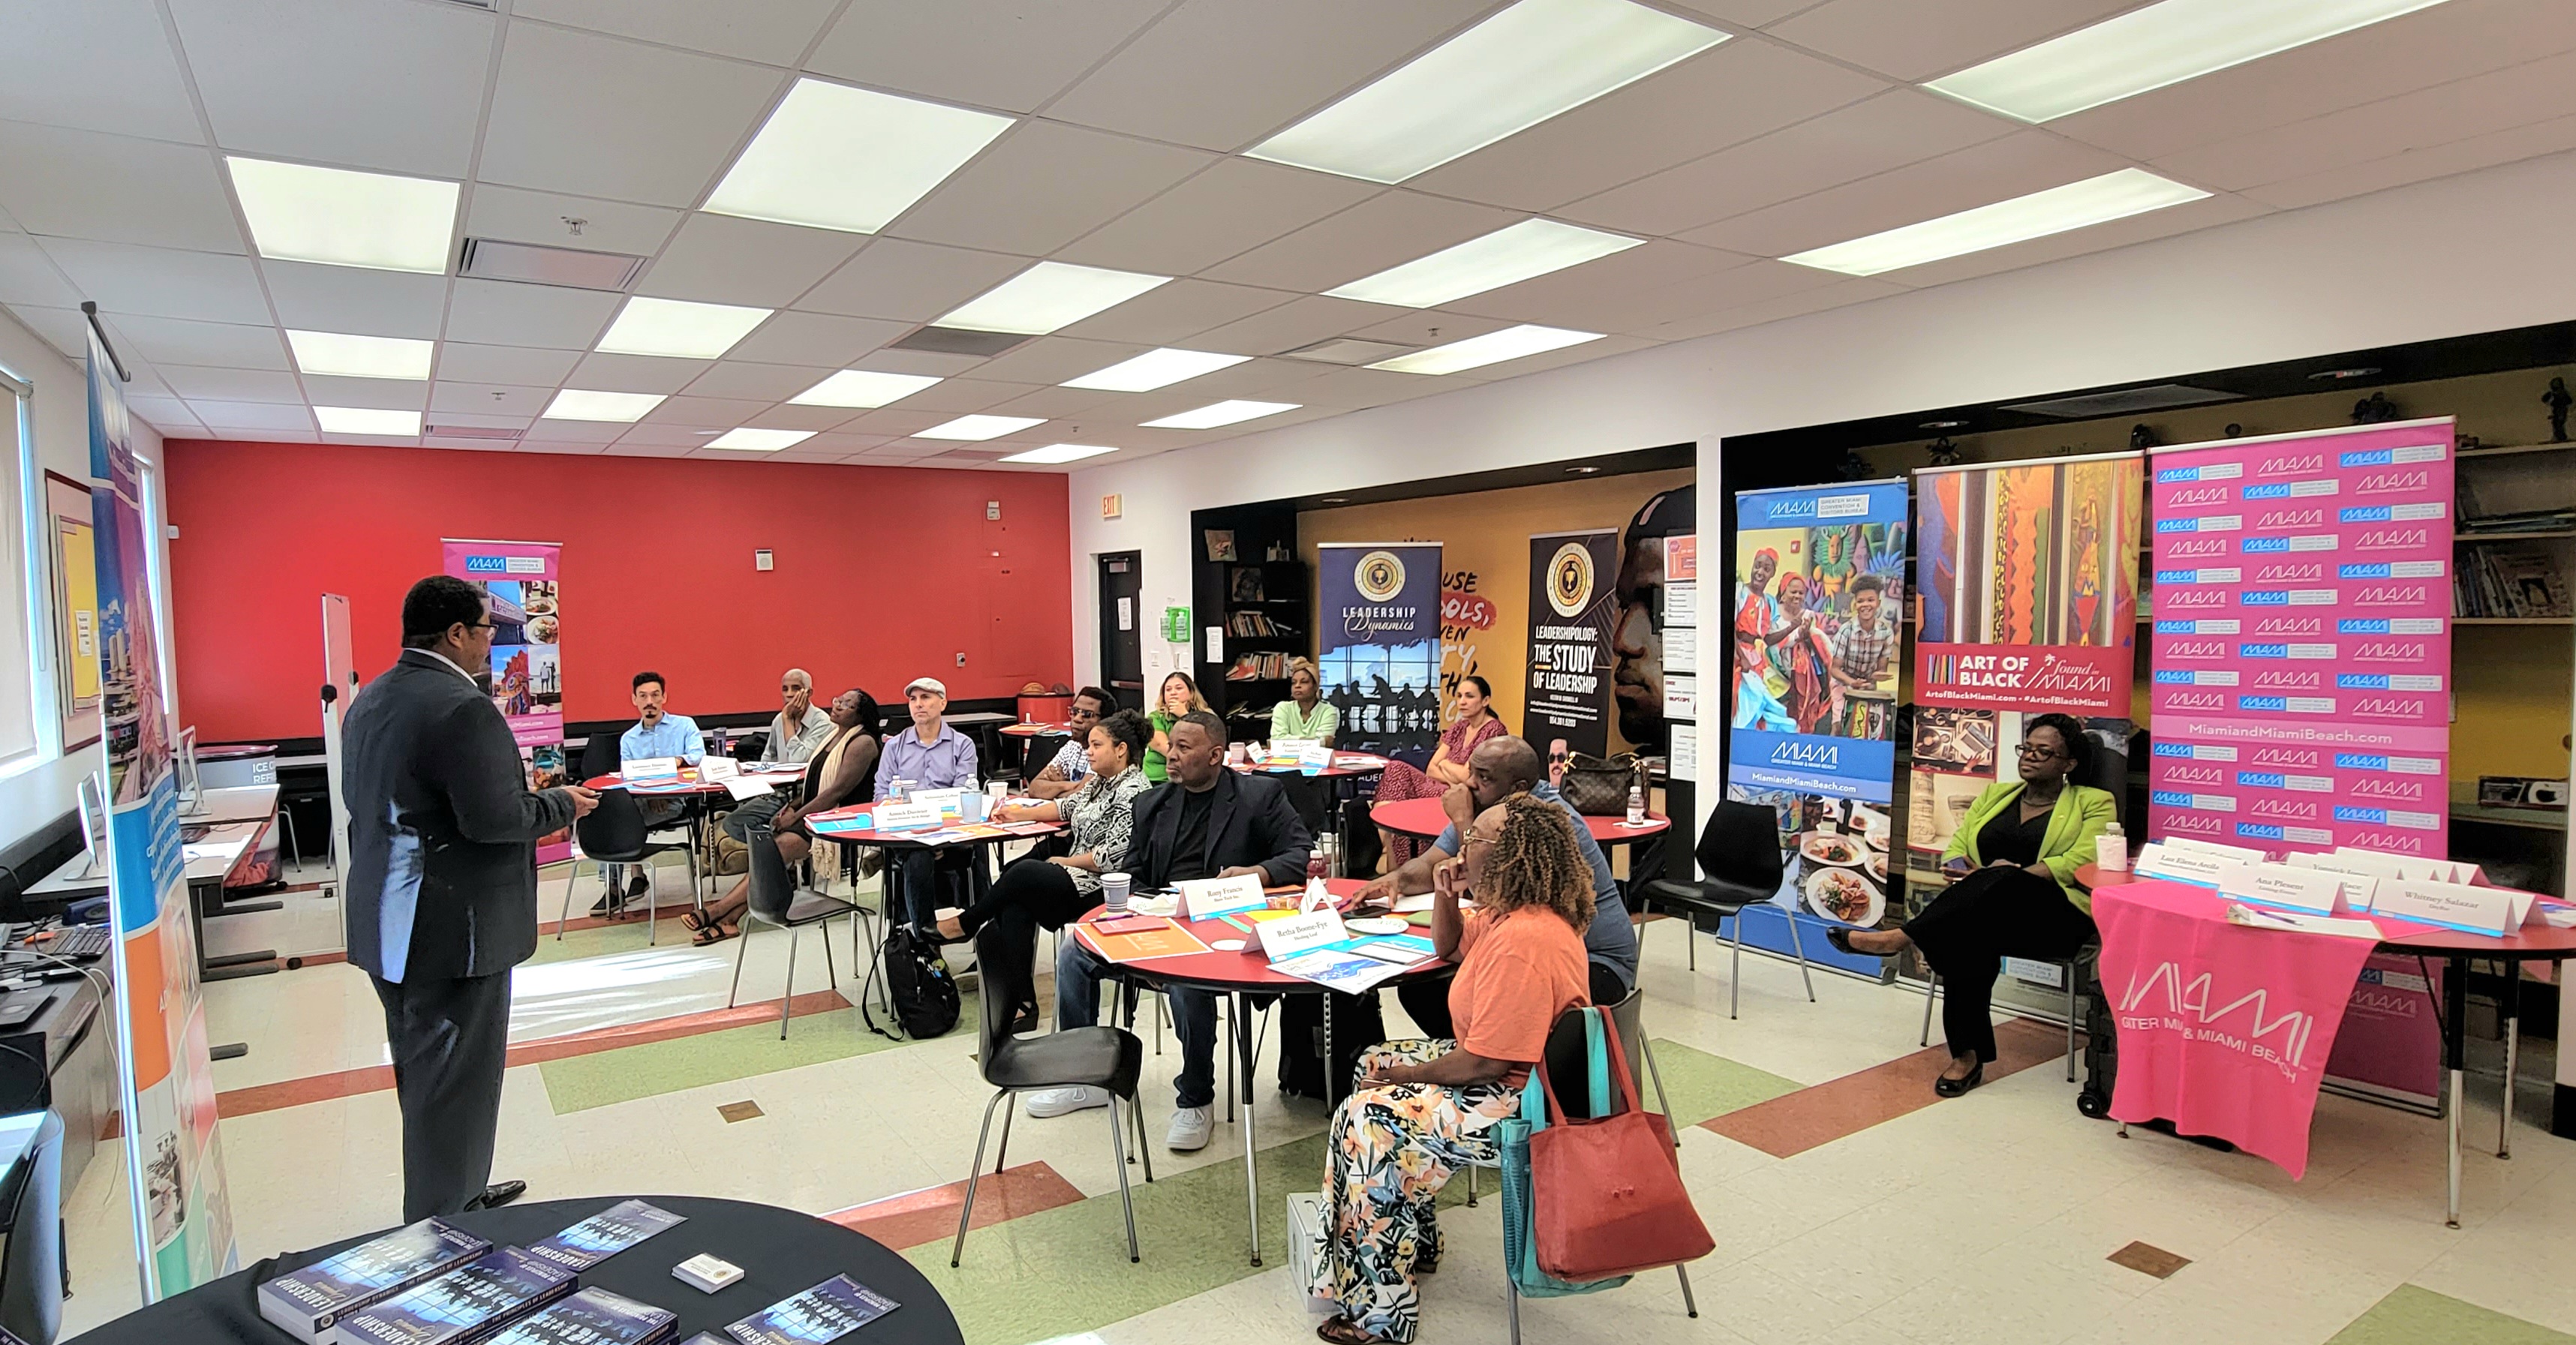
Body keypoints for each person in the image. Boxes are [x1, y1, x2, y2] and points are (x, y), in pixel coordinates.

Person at [342, 575, 600, 1219]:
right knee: (455, 1081)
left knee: (427, 1077)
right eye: (486, 630)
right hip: (453, 929)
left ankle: (460, 1188)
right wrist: (560, 803)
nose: (492, 643)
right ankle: (443, 1227)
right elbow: (492, 818)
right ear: (455, 633)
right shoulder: (462, 707)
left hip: (388, 920)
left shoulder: (371, 699)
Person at [1312, 792, 1595, 1345]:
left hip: (1518, 1104)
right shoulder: (1508, 912)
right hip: (1514, 1076)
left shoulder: (1524, 940)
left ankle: (1382, 1315)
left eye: (1476, 840)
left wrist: (1397, 1083)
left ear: (1510, 852)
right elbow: (1447, 946)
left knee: (1370, 1116)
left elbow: (1482, 1061)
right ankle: (1409, 1236)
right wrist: (1445, 893)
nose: (1463, 848)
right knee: (1373, 1058)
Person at [1029, 711, 1310, 1151]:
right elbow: (1136, 871)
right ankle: (1083, 1077)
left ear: (1216, 755)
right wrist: (1142, 911)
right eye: (1170, 746)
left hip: (1223, 925)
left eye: (1183, 748)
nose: (1171, 755)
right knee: (1074, 951)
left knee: (1188, 979)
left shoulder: (1259, 796)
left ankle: (1196, 1098)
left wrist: (1254, 873)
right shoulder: (1153, 803)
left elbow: (1299, 854)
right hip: (1161, 916)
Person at [1833, 713, 2115, 1097]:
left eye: (2043, 752)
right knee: (1968, 936)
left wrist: (2011, 875)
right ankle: (1966, 1056)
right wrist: (1960, 867)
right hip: (1988, 914)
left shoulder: (2094, 802)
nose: (2030, 757)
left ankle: (1901, 937)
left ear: (2069, 764)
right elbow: (1959, 846)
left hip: (2055, 917)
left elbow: (2082, 860)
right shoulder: (1996, 795)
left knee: (1996, 882)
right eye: (2026, 749)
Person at [1349, 735, 1635, 1031]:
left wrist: (1463, 822)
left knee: (1457, 997)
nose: (1470, 784)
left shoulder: (1546, 823)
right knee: (1421, 991)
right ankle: (1474, 1061)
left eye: (1483, 778)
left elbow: (1482, 888)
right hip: (1534, 952)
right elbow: (1432, 863)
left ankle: (1488, 1066)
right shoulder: (1489, 806)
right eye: (1471, 772)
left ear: (1518, 789)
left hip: (1595, 963)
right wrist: (1396, 879)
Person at [934, 710, 1152, 1031]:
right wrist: (1016, 813)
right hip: (1075, 877)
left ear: (1120, 750)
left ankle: (967, 922)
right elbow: (1065, 807)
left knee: (1023, 874)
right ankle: (1024, 1003)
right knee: (1015, 901)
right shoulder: (1100, 784)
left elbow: (1114, 856)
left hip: (1101, 887)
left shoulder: (1133, 790)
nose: (1088, 752)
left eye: (1096, 745)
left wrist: (1066, 863)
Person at [690, 688, 880, 945]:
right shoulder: (833, 737)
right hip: (816, 814)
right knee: (769, 853)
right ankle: (730, 920)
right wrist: (791, 807)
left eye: (846, 704)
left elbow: (836, 791)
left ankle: (718, 910)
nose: (837, 705)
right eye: (839, 700)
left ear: (860, 715)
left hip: (841, 822)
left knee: (776, 849)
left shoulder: (863, 743)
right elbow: (815, 784)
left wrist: (797, 817)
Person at [1368, 675, 1507, 871]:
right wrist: (1452, 771)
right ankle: (1381, 837)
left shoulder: (1494, 730)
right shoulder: (1460, 727)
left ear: (1485, 701)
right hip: (1445, 785)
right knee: (1396, 768)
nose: (1462, 702)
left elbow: (1468, 778)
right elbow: (1431, 768)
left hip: (1465, 795)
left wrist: (1446, 765)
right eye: (1459, 696)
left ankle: (1378, 849)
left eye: (1469, 696)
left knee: (1406, 805)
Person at [876, 677, 982, 929]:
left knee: (971, 848)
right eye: (913, 699)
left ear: (943, 703)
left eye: (926, 698)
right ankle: (925, 936)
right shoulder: (894, 747)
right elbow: (881, 794)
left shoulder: (963, 745)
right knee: (918, 854)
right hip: (906, 832)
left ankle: (939, 936)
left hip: (950, 833)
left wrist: (937, 834)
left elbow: (962, 797)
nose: (918, 705)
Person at [603, 670, 699, 913]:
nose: (650, 702)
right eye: (643, 696)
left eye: (655, 695)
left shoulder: (684, 725)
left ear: (664, 697)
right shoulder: (629, 739)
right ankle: (622, 884)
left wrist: (677, 763)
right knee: (611, 815)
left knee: (617, 822)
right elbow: (627, 777)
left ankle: (625, 884)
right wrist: (649, 795)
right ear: (634, 700)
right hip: (641, 802)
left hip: (676, 801)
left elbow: (698, 757)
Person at [717, 667, 840, 848]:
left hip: (803, 794)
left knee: (776, 823)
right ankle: (776, 857)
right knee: (733, 822)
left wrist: (788, 721)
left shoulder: (823, 723)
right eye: (785, 689)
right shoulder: (778, 721)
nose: (789, 695)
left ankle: (776, 860)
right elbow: (768, 757)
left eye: (796, 689)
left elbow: (799, 760)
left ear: (809, 692)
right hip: (777, 791)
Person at [1771, 572, 1834, 733]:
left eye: (1801, 593)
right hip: (1776, 671)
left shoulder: (1808, 616)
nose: (1797, 596)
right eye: (1793, 592)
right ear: (1783, 593)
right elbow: (1770, 643)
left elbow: (1819, 642)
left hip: (1805, 672)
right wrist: (1793, 635)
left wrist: (1807, 636)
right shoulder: (1774, 615)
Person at [1024, 686, 1112, 800]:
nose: (1077, 719)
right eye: (1074, 712)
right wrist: (1064, 785)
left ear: (1104, 721)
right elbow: (1034, 788)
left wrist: (1054, 791)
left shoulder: (1103, 752)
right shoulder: (1072, 747)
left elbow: (1081, 796)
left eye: (1087, 714)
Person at [1829, 573, 1896, 695]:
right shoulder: (1846, 631)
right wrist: (1852, 682)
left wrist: (1878, 675)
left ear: (1878, 603)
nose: (1865, 605)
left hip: (1869, 688)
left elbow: (1882, 668)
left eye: (1870, 600)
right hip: (1843, 687)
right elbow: (1835, 669)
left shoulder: (1886, 633)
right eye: (1861, 601)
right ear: (1856, 605)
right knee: (1841, 712)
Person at [1143, 671, 1209, 783]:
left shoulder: (1206, 715)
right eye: (1168, 690)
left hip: (1195, 776)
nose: (1173, 693)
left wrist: (1185, 716)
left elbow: (1211, 741)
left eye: (1179, 688)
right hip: (1160, 778)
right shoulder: (1155, 717)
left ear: (1191, 693)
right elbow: (1164, 747)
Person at [1271, 659, 1338, 746]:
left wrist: (1288, 740)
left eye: (1304, 682)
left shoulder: (1328, 711)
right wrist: (1318, 741)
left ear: (1315, 686)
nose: (1297, 686)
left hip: (1316, 758)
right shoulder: (1282, 708)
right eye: (1294, 683)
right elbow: (1276, 741)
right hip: (1285, 758)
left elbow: (1323, 746)